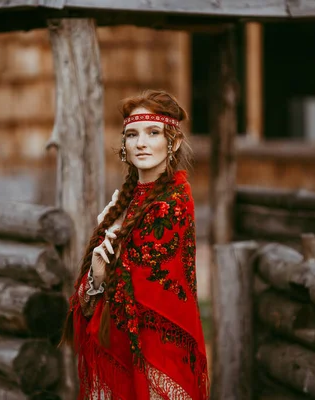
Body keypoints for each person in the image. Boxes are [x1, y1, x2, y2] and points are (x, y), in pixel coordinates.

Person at [61, 90, 209, 400]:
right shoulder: (127, 200)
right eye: (132, 134)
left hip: (159, 356)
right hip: (123, 353)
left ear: (174, 142)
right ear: (124, 146)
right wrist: (97, 277)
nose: (140, 142)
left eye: (152, 132)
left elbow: (145, 284)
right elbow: (96, 291)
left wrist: (111, 247)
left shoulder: (174, 201)